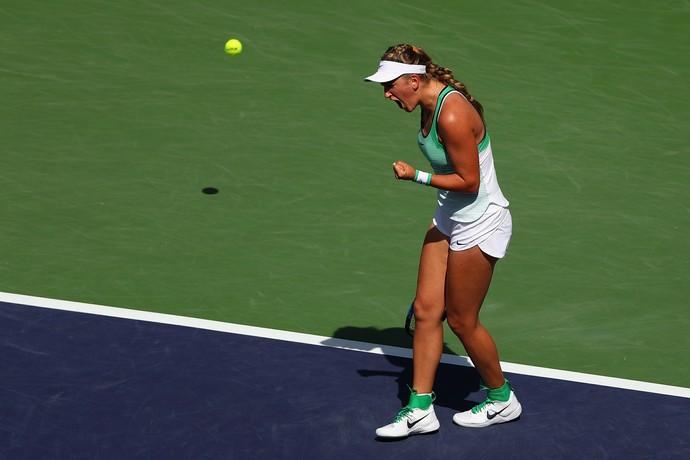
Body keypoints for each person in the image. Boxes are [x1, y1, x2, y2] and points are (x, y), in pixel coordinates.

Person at [364, 44, 522, 438]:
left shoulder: (451, 114)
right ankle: (420, 409)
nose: (386, 93)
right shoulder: (427, 104)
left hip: (481, 222)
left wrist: (415, 176)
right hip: (449, 217)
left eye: (390, 85)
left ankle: (502, 399)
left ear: (414, 80)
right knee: (426, 310)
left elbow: (471, 183)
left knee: (462, 320)